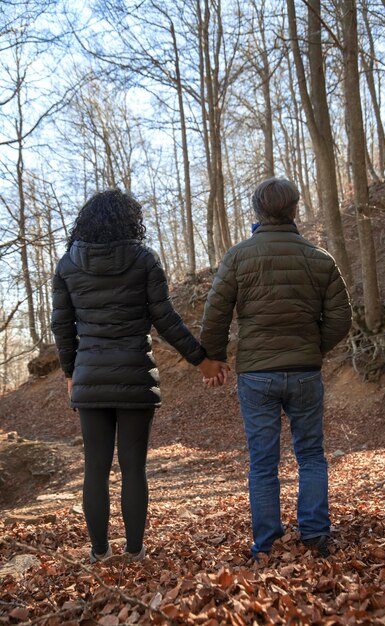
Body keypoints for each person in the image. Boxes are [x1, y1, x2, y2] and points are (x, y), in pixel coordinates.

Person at [51, 189, 227, 563]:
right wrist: (202, 361)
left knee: (95, 469)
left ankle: (99, 552)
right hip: (135, 376)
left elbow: (62, 328)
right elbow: (165, 320)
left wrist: (71, 373)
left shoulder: (67, 264)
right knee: (133, 467)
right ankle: (134, 552)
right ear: (130, 221)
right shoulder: (144, 259)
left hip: (90, 378)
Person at [200, 177, 352, 558]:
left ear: (257, 212)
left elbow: (215, 315)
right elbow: (341, 317)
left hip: (256, 375)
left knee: (263, 461)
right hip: (304, 372)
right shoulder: (319, 258)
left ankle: (266, 542)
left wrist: (214, 359)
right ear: (295, 209)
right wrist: (313, 347)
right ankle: (316, 535)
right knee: (311, 454)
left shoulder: (239, 256)